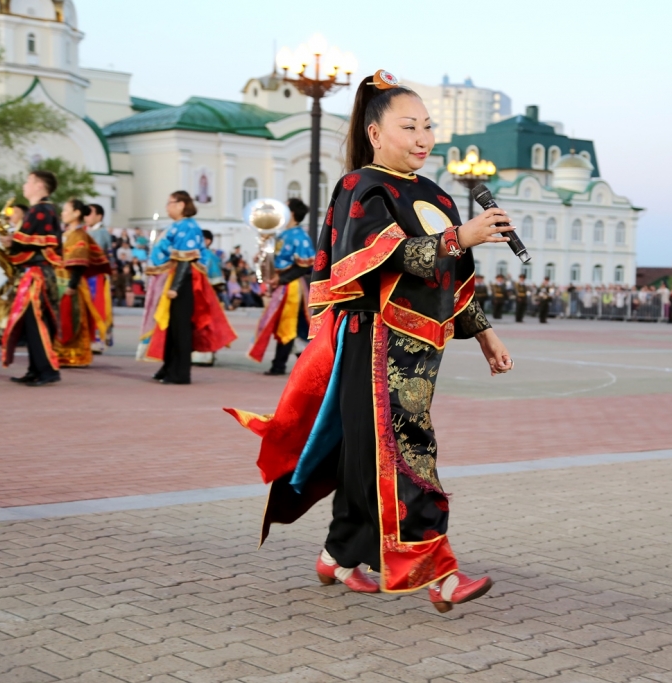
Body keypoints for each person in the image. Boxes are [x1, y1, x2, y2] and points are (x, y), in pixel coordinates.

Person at [226, 70, 514, 612]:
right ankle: (438, 572)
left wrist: (486, 335)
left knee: (368, 450)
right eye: (409, 126)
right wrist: (460, 236)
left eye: (428, 126)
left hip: (421, 348)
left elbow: (446, 278)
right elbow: (384, 257)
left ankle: (339, 553)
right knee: (405, 451)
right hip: (374, 338)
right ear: (376, 133)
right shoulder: (362, 187)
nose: (423, 137)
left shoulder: (436, 195)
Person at [136, 191, 237, 383]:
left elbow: (186, 259)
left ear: (181, 204)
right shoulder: (177, 226)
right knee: (170, 327)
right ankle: (168, 367)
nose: (167, 206)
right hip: (172, 281)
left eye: (170, 203)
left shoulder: (188, 227)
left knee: (180, 329)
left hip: (183, 284)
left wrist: (175, 286)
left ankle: (180, 373)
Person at [0, 170, 63, 386]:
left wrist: (10, 241)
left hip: (38, 275)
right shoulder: (40, 210)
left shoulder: (41, 210)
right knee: (30, 323)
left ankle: (47, 370)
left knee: (36, 323)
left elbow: (30, 242)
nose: (24, 185)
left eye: (28, 181)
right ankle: (35, 369)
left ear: (39, 185)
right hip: (34, 273)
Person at [247, 198, 317, 375]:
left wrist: (282, 279)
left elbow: (305, 265)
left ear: (291, 213)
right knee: (287, 325)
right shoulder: (279, 235)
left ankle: (280, 364)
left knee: (287, 324)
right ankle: (305, 363)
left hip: (291, 287)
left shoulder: (300, 237)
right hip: (282, 285)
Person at [53, 199, 112, 367]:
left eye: (65, 210)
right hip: (60, 281)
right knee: (61, 319)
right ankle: (60, 353)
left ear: (76, 213)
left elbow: (79, 263)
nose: (62, 213)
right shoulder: (66, 234)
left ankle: (75, 355)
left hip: (72, 284)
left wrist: (72, 285)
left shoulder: (79, 235)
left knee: (72, 318)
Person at [81, 203, 114, 352]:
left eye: (89, 213)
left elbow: (95, 255)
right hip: (86, 274)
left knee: (97, 305)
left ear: (99, 216)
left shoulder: (101, 233)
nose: (86, 217)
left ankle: (96, 339)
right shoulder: (85, 231)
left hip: (96, 275)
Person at [192, 229, 227, 366]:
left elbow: (216, 280)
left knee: (206, 326)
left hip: (206, 297)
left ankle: (205, 355)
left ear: (207, 241)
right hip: (198, 296)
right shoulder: (198, 254)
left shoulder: (209, 256)